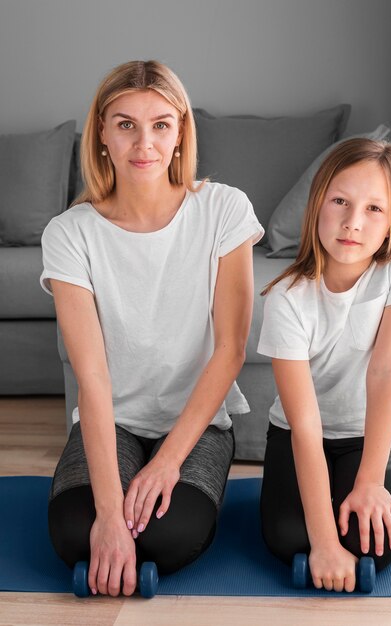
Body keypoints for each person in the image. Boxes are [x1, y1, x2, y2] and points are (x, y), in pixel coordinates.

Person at [40, 60, 264, 597]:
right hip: (112, 420)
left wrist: (165, 466)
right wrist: (111, 516)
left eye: (161, 124)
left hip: (197, 423)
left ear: (182, 130)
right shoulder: (70, 234)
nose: (144, 143)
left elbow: (231, 349)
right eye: (125, 124)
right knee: (80, 534)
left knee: (165, 538)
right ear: (101, 133)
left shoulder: (224, 209)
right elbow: (91, 376)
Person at [257, 138, 391, 593]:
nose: (352, 223)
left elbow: (384, 372)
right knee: (292, 541)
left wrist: (370, 484)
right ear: (318, 201)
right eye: (340, 201)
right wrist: (322, 542)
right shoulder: (286, 297)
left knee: (376, 544)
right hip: (300, 434)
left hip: (369, 434)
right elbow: (303, 423)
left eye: (374, 209)